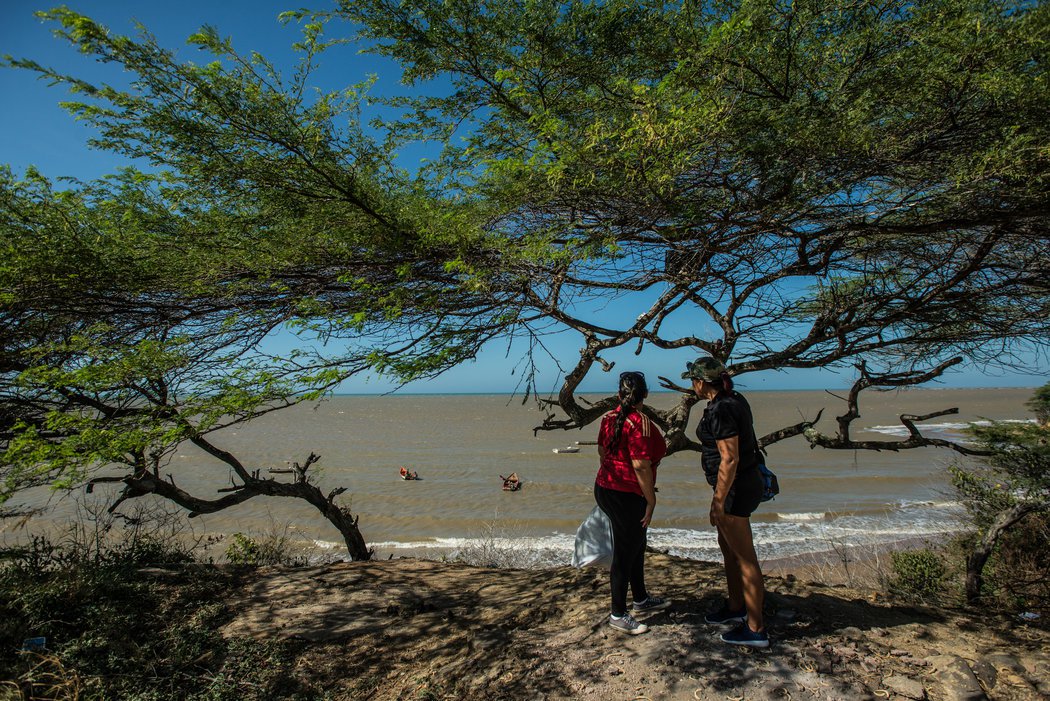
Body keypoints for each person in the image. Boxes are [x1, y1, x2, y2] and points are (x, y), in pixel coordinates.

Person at [684, 356, 770, 648]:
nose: (692, 385)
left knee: (745, 558)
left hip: (735, 489)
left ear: (700, 382)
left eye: (692, 380)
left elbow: (730, 458)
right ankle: (736, 606)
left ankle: (756, 629)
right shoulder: (732, 400)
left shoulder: (722, 409)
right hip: (737, 485)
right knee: (729, 550)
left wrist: (718, 501)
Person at [594, 371, 670, 635]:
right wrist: (651, 499)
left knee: (637, 544)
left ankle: (641, 599)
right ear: (645, 394)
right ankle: (618, 614)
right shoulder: (641, 423)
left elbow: (602, 451)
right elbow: (641, 465)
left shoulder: (608, 418)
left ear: (619, 394)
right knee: (625, 552)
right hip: (626, 494)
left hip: (605, 488)